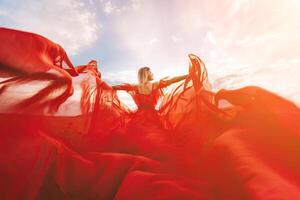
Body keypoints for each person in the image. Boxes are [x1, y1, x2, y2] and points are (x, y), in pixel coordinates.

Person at [111, 66, 188, 111]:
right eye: (151, 72)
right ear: (147, 74)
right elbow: (173, 80)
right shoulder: (156, 85)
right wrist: (187, 76)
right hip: (152, 116)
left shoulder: (136, 87)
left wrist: (101, 85)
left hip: (138, 117)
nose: (152, 74)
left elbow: (116, 87)